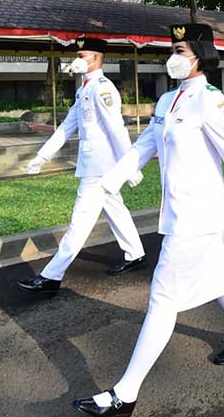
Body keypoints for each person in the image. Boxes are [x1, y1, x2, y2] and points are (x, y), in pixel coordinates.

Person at [73, 24, 224, 417]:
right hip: (180, 213)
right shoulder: (168, 100)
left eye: (180, 49)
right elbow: (143, 146)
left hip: (197, 216)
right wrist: (108, 183)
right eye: (172, 48)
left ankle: (125, 393)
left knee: (163, 300)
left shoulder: (211, 102)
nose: (173, 56)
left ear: (200, 54)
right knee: (221, 277)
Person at [17, 37, 146, 296]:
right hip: (96, 166)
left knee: (80, 223)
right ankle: (136, 253)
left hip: (99, 169)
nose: (76, 60)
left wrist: (131, 166)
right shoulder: (84, 89)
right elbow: (67, 127)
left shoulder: (103, 89)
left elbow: (116, 130)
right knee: (115, 210)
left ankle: (51, 276)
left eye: (81, 54)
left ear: (96, 58)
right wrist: (42, 156)